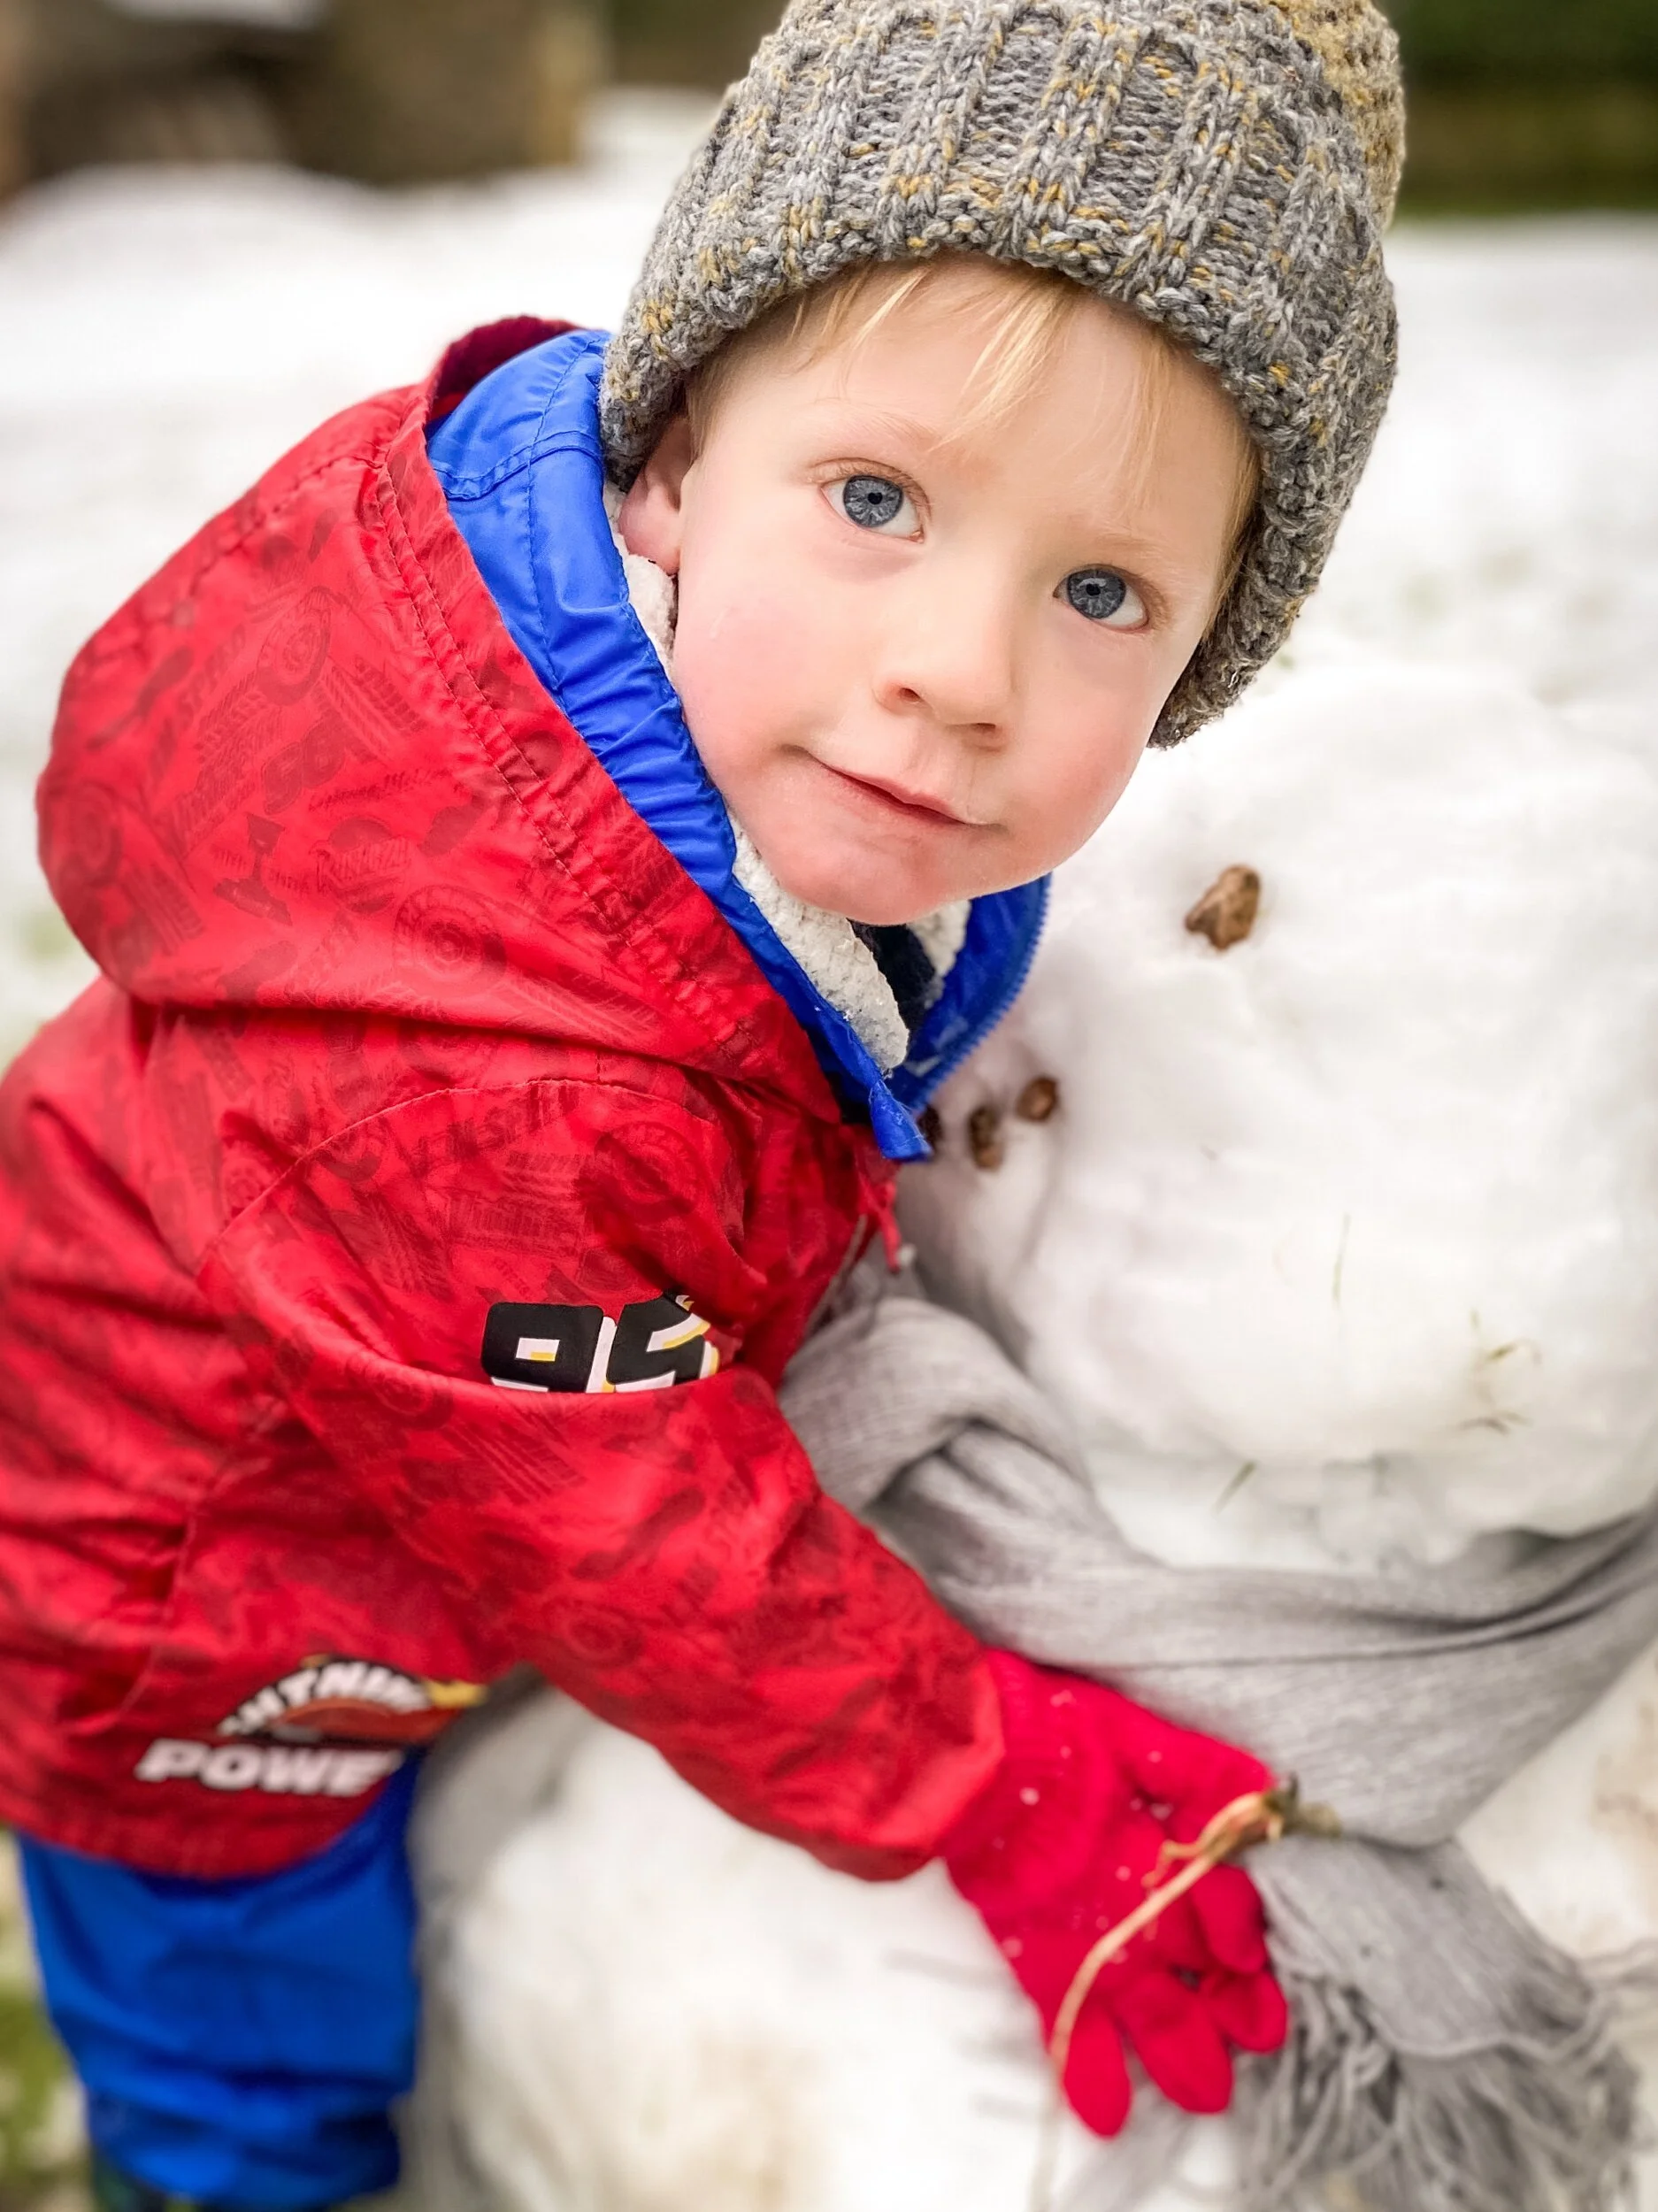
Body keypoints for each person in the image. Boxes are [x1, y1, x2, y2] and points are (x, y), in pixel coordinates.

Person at [0, 2, 1401, 2204]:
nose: (963, 666)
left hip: (449, 1445)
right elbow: (637, 1536)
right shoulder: (488, 1076)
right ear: (668, 459)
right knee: (262, 2062)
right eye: (875, 501)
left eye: (1101, 591)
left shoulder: (793, 771)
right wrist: (984, 1773)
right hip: (192, 1585)